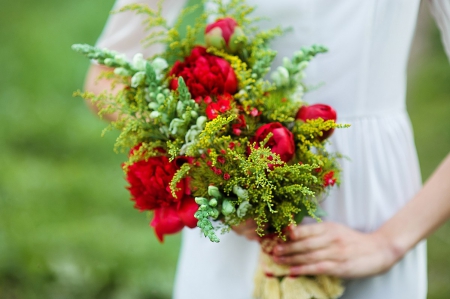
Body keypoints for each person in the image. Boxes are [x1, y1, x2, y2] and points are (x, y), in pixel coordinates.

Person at [84, 0, 450, 298]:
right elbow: (105, 75)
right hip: (236, 201)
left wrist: (388, 243)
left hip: (368, 203)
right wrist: (207, 147)